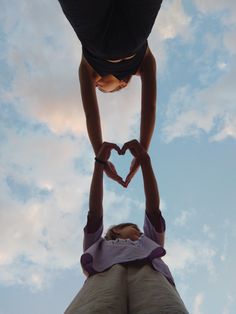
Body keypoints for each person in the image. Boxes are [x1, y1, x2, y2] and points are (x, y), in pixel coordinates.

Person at [64, 140, 189, 314]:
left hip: (150, 274)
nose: (140, 232)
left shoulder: (147, 242)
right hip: (103, 277)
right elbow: (94, 212)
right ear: (116, 230)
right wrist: (99, 165)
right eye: (134, 228)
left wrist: (145, 161)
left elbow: (153, 209)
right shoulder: (98, 245)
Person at [58, 0, 164, 187]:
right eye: (101, 89)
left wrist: (101, 157)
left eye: (97, 88)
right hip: (133, 28)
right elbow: (149, 108)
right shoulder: (144, 62)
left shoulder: (87, 67)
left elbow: (91, 115)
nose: (97, 86)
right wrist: (142, 152)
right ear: (122, 84)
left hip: (95, 33)